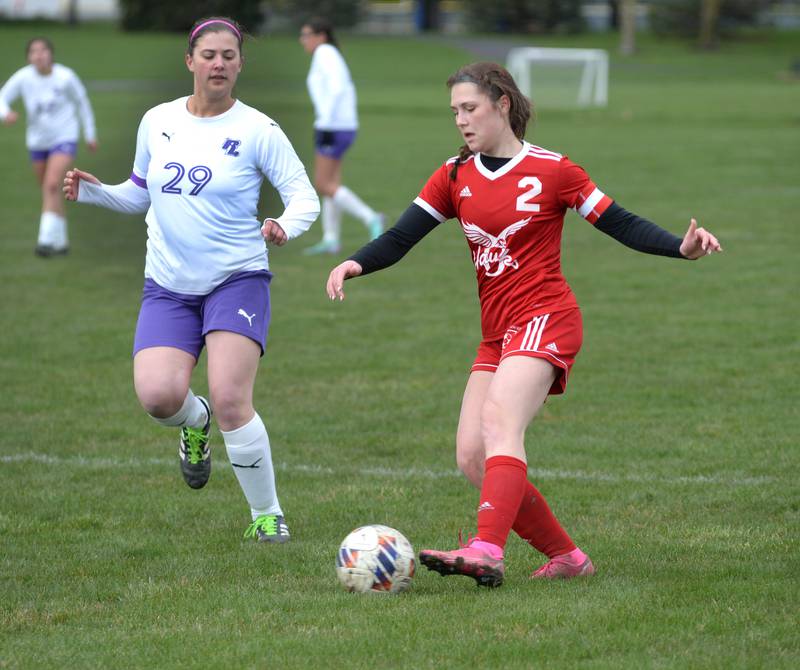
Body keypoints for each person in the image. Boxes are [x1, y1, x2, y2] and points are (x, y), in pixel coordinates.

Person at [326, 62, 721, 586]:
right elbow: (400, 236)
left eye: (470, 109)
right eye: (455, 113)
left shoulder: (555, 171)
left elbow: (620, 222)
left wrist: (680, 247)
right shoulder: (454, 175)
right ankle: (568, 558)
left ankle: (487, 548)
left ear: (503, 104)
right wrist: (356, 262)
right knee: (472, 456)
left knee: (499, 425)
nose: (462, 121)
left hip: (547, 317)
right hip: (499, 332)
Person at [63, 17, 319, 543]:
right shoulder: (157, 120)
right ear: (191, 61)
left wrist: (283, 225)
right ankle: (192, 421)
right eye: (209, 55)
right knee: (159, 396)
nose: (219, 63)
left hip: (237, 278)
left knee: (231, 397)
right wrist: (94, 191)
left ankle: (267, 515)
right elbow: (139, 194)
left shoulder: (259, 130)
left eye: (229, 55)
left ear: (240, 63)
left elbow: (304, 196)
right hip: (168, 284)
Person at [1, 37, 97, 257]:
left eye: (43, 50)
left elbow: (82, 103)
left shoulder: (65, 77)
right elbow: (2, 98)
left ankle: (44, 240)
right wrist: (6, 114)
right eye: (34, 51)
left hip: (64, 137)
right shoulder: (23, 77)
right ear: (28, 57)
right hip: (37, 142)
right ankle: (62, 242)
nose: (39, 55)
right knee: (49, 190)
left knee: (52, 184)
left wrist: (90, 134)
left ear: (51, 54)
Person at [299, 17, 383, 255]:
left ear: (321, 36)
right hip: (339, 125)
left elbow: (337, 88)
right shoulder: (328, 53)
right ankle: (331, 239)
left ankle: (372, 218)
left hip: (333, 126)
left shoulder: (325, 53)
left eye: (306, 34)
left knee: (323, 184)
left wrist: (325, 121)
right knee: (332, 183)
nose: (302, 40)